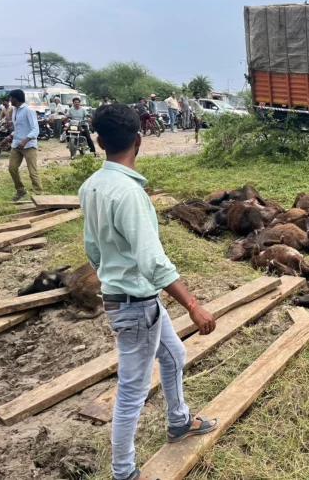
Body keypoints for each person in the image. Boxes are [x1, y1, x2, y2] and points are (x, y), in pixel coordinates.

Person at [78, 104, 218, 480]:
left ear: (99, 140)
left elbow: (92, 248)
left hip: (131, 299)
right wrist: (192, 305)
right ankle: (123, 472)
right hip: (135, 304)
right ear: (139, 139)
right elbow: (153, 262)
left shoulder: (91, 186)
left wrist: (114, 271)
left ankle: (179, 421)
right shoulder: (128, 194)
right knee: (132, 391)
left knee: (174, 353)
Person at [0, 89, 43, 201]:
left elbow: (35, 130)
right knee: (12, 168)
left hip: (29, 146)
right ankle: (21, 191)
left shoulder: (29, 111)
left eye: (10, 97)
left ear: (15, 98)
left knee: (32, 171)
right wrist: (8, 137)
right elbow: (19, 129)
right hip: (16, 145)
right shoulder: (15, 111)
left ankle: (39, 195)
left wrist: (24, 141)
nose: (9, 100)